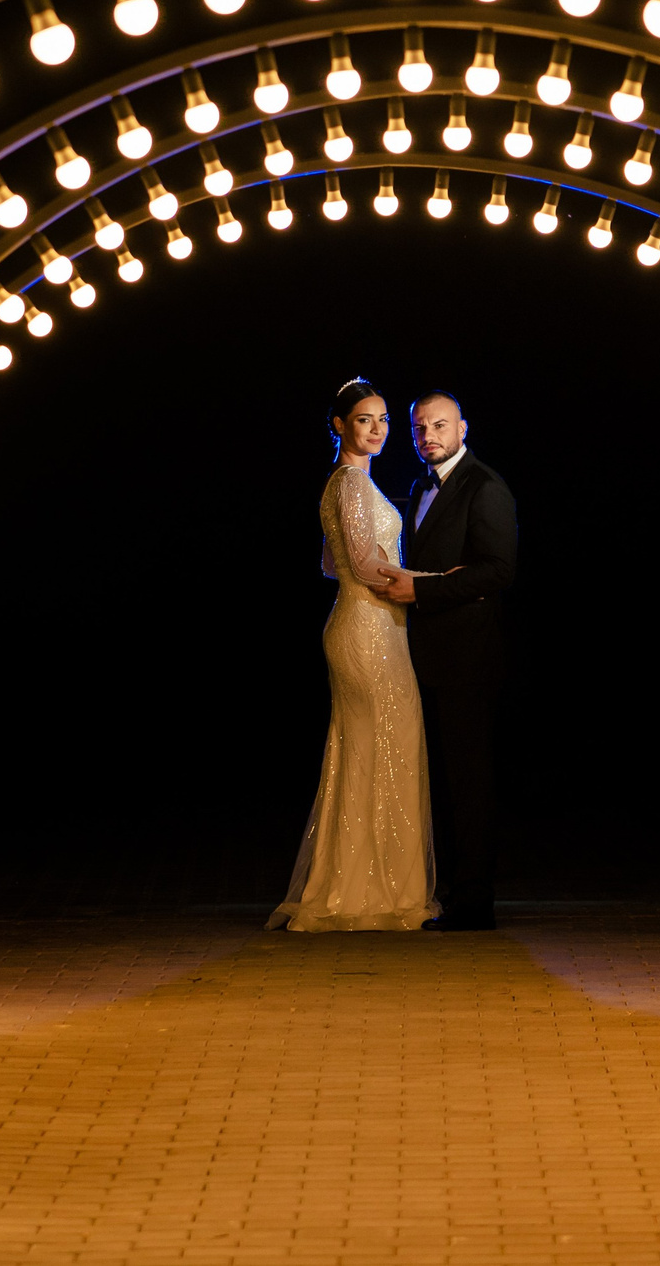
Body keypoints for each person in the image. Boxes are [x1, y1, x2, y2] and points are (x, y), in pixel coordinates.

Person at [268, 379, 441, 932]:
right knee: (382, 747)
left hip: (368, 624)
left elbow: (329, 563)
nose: (378, 429)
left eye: (385, 419)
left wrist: (367, 571)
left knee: (371, 750)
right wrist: (434, 581)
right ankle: (367, 892)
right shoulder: (348, 483)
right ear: (340, 425)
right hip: (366, 629)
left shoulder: (353, 484)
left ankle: (363, 885)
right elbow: (365, 568)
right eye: (365, 419)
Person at [372, 391, 516, 931]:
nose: (427, 435)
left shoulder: (485, 486)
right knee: (440, 779)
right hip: (426, 655)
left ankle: (475, 901)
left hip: (468, 658)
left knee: (469, 779)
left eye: (438, 425)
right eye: (418, 428)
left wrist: (424, 593)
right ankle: (446, 890)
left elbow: (499, 570)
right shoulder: (419, 487)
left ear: (462, 427)